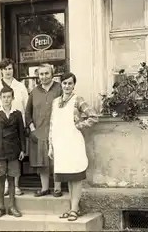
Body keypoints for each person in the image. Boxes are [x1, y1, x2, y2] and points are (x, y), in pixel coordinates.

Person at [48, 72, 98, 221]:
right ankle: (72, 208)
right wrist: (51, 146)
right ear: (61, 84)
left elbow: (94, 117)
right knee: (68, 176)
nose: (67, 86)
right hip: (60, 144)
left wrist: (78, 126)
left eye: (70, 83)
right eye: (64, 83)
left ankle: (74, 209)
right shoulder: (55, 102)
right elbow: (52, 124)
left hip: (74, 142)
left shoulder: (78, 100)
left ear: (74, 85)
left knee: (76, 176)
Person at [0, 58, 29, 196]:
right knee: (2, 157)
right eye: (5, 69)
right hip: (2, 124)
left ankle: (16, 185)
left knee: (15, 156)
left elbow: (26, 106)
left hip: (17, 124)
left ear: (13, 70)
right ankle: (6, 186)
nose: (8, 71)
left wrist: (26, 124)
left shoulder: (20, 86)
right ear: (1, 70)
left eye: (10, 68)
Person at [0, 86, 26, 218]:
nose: (6, 99)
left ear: (13, 98)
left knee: (12, 180)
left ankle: (12, 207)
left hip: (14, 151)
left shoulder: (17, 113)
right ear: (0, 98)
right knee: (1, 180)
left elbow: (21, 132)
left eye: (9, 97)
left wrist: (22, 149)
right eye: (4, 97)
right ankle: (1, 207)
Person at [25, 63, 63, 197]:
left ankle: (57, 188)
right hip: (39, 132)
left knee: (56, 161)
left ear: (52, 74)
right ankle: (44, 188)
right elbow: (27, 112)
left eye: (47, 73)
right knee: (42, 163)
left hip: (56, 131)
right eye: (41, 74)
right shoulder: (34, 92)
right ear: (38, 76)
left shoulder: (59, 88)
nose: (44, 76)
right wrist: (32, 129)